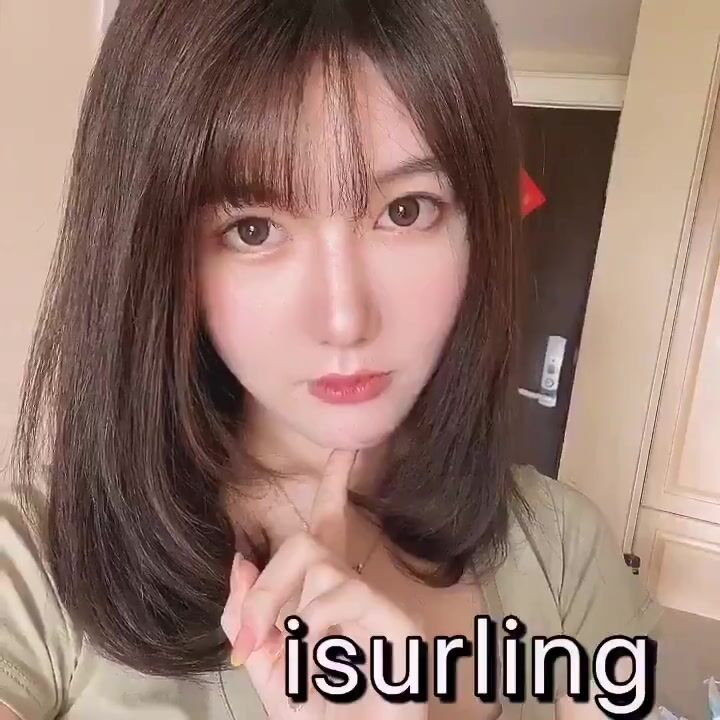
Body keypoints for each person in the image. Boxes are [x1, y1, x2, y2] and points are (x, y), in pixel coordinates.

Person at [0, 1, 663, 718]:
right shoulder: (38, 573)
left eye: (406, 211)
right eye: (254, 230)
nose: (345, 319)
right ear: (159, 256)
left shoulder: (563, 552)